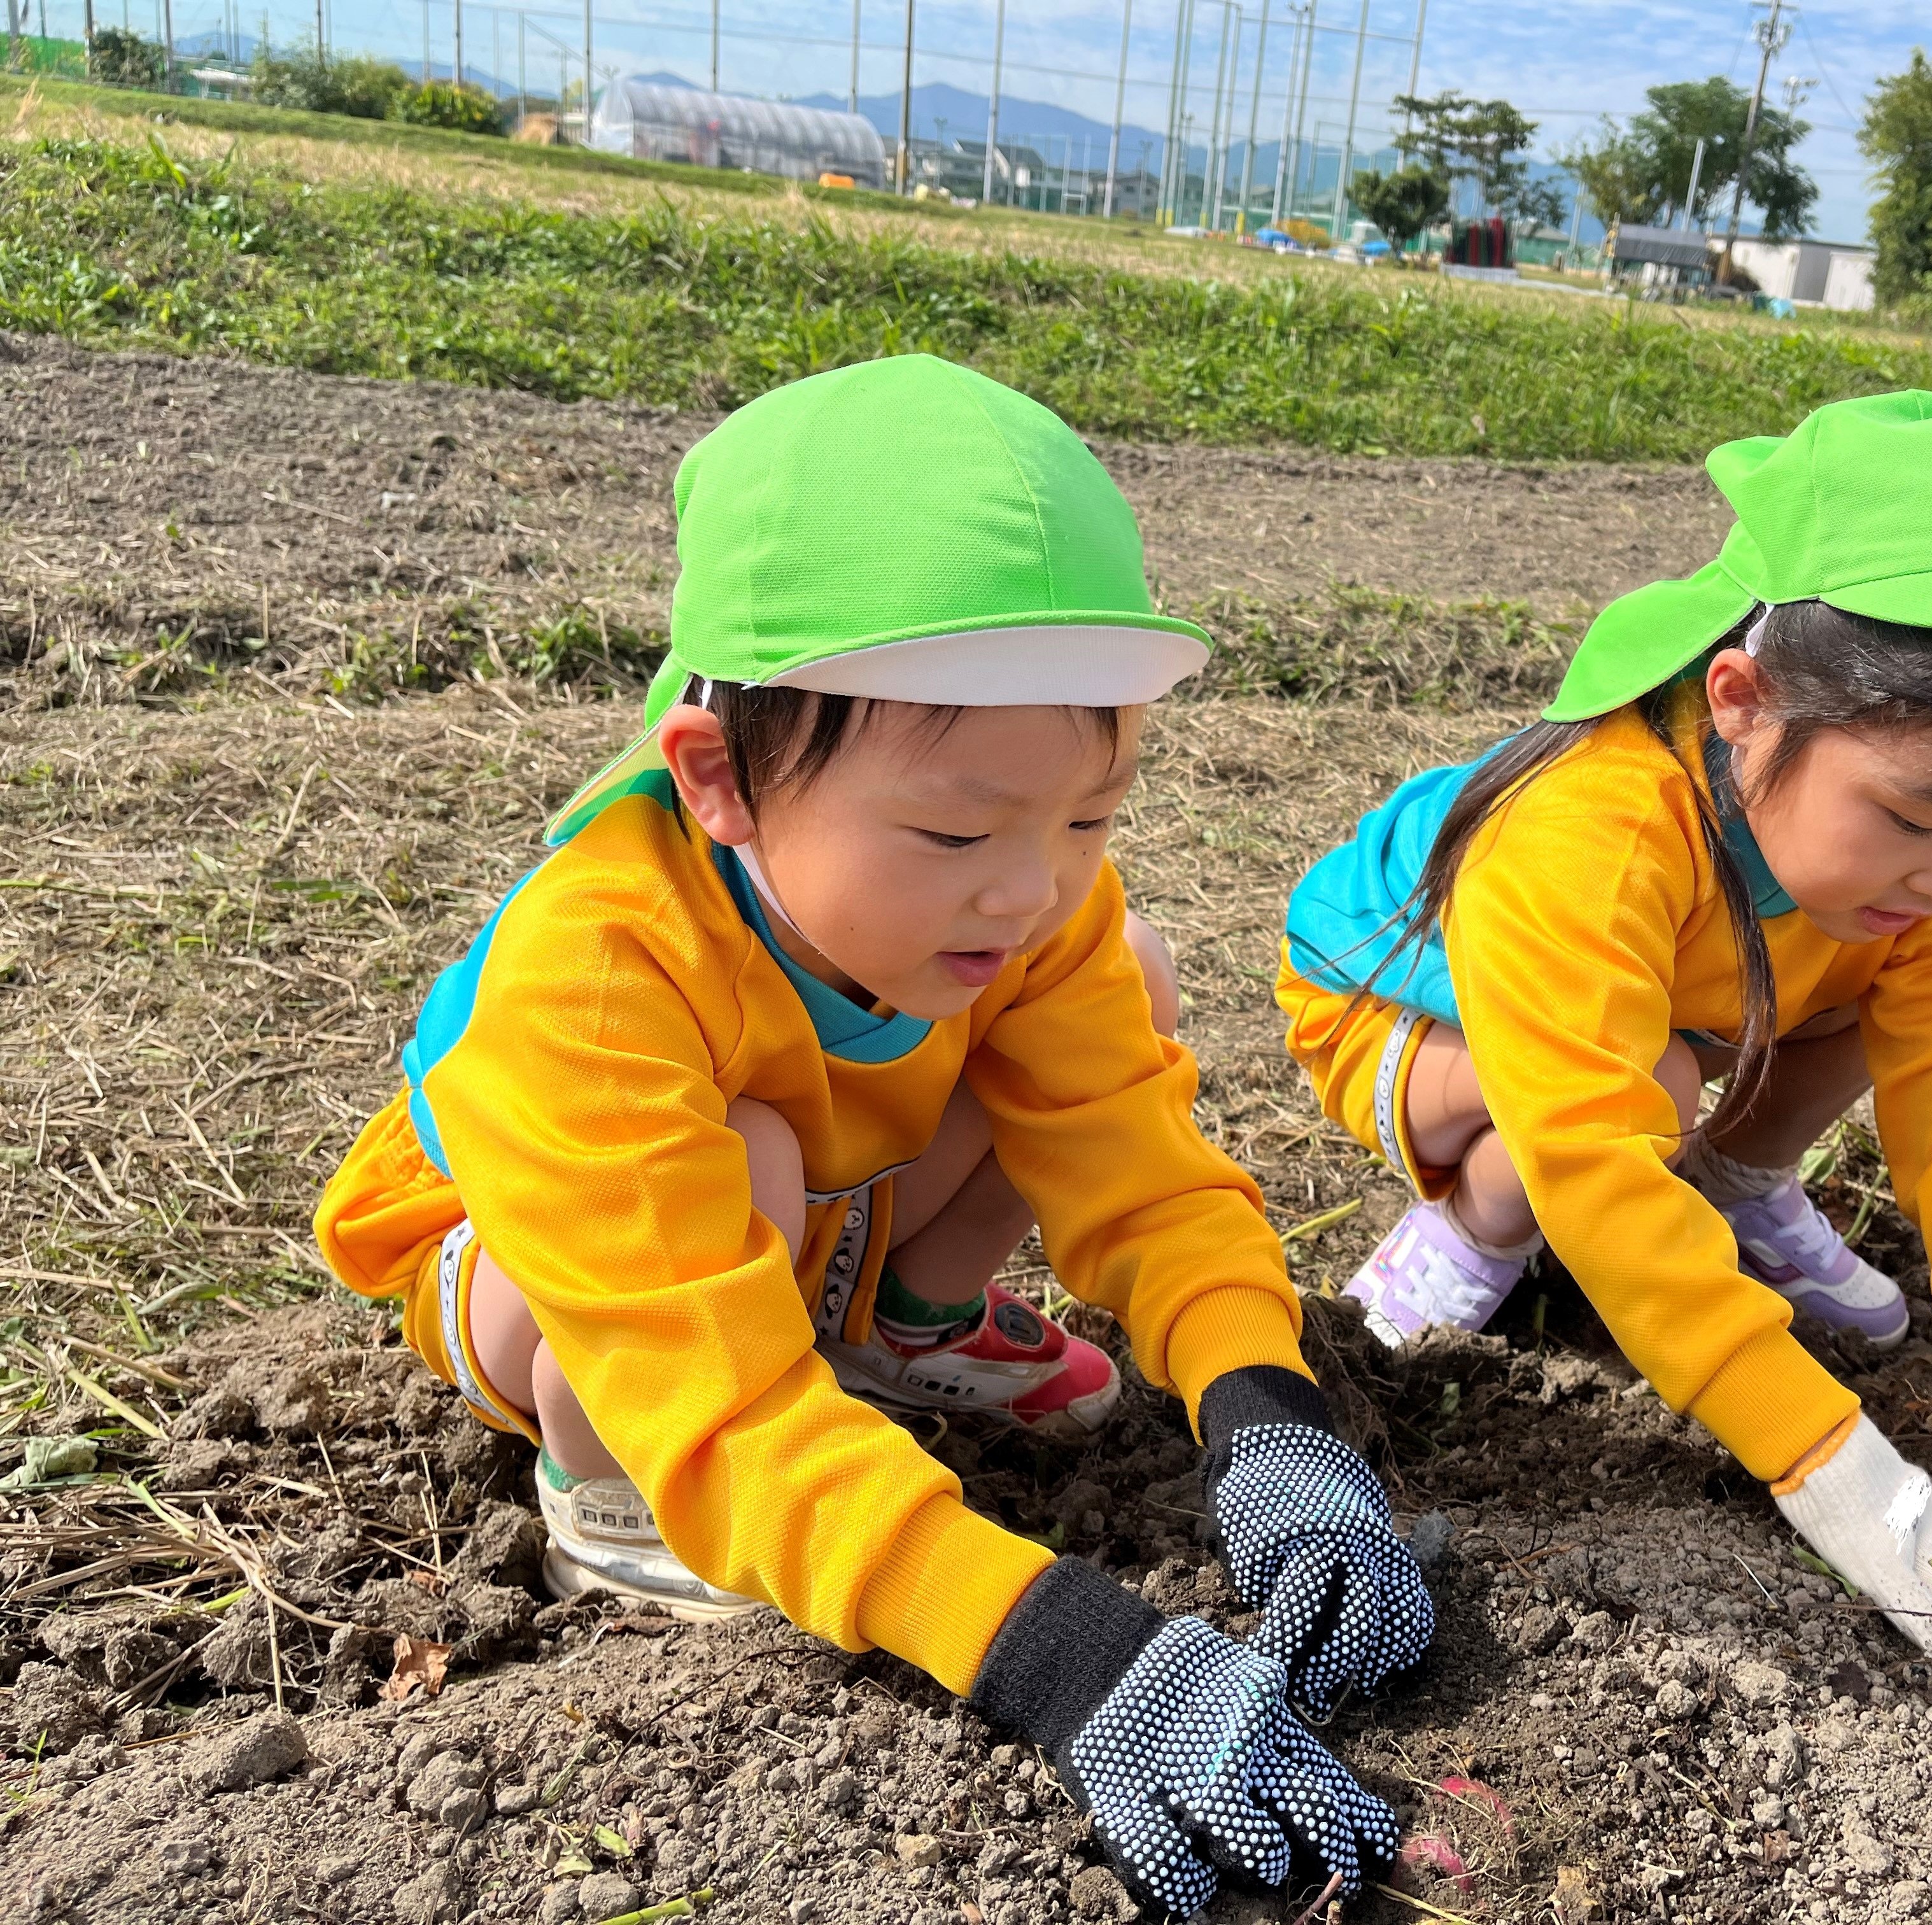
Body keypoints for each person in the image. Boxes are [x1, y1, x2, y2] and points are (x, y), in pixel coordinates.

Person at [315, 358, 1419, 1915]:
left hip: (822, 1195)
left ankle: (901, 1328)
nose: (1030, 888)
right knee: (749, 1162)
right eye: (962, 831)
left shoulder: (1027, 904)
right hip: (559, 1276)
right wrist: (1063, 1649)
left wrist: (1269, 1408)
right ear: (723, 783)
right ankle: (615, 1497)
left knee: (1123, 985)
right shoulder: (596, 970)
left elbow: (1140, 1162)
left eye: (1087, 816)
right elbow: (720, 1380)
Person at [1276, 391, 1932, 1671]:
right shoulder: (1590, 825)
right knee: (1648, 1082)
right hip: (1407, 1013)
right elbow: (1592, 1146)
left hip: (1702, 1009)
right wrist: (1835, 1468)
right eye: (1917, 822)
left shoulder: (1928, 875)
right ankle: (1471, 1229)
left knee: (1902, 977)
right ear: (1741, 698)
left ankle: (1738, 1183)